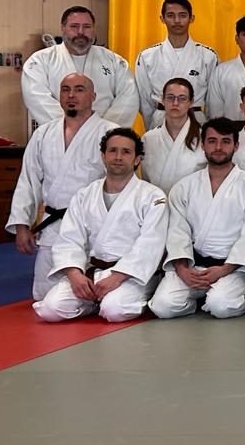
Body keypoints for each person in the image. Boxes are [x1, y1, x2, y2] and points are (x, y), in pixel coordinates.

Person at [32, 127, 169, 323]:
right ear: (103, 156)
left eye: (126, 152)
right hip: (92, 273)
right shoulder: (84, 195)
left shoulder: (152, 196)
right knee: (50, 309)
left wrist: (116, 277)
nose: (118, 157)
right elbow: (69, 239)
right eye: (112, 150)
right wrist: (74, 275)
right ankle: (92, 301)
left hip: (131, 275)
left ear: (137, 159)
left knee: (114, 310)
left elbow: (150, 245)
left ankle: (115, 299)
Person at [7, 73, 112, 300]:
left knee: (94, 293)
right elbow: (28, 181)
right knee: (43, 295)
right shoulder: (43, 134)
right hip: (53, 225)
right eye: (65, 89)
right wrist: (22, 225)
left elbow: (120, 186)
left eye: (79, 89)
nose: (71, 95)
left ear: (93, 96)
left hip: (93, 226)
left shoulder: (110, 133)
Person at [148, 118, 245, 320]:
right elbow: (177, 231)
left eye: (225, 141)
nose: (218, 147)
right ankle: (197, 299)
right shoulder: (184, 187)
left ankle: (217, 297)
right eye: (212, 141)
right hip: (194, 266)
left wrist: (225, 269)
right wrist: (182, 269)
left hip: (233, 267)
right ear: (203, 144)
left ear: (236, 145)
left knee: (221, 306)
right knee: (162, 306)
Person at [21, 5, 138, 129]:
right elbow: (37, 99)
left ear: (94, 29)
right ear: (63, 28)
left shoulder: (114, 61)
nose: (81, 32)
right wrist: (72, 128)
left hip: (106, 139)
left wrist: (104, 130)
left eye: (87, 27)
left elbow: (128, 98)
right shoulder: (40, 61)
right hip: (59, 137)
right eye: (74, 26)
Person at [133, 0, 218, 127]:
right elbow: (144, 99)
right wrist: (153, 123)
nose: (177, 21)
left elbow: (213, 100)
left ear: (191, 18)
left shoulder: (208, 56)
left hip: (196, 120)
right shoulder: (147, 56)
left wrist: (210, 127)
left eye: (182, 15)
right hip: (161, 119)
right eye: (171, 15)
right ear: (162, 19)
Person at [140, 77, 207, 194]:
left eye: (182, 98)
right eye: (170, 97)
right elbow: (145, 181)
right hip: (156, 207)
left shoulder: (204, 139)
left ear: (191, 103)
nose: (175, 103)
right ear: (162, 100)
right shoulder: (148, 139)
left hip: (191, 206)